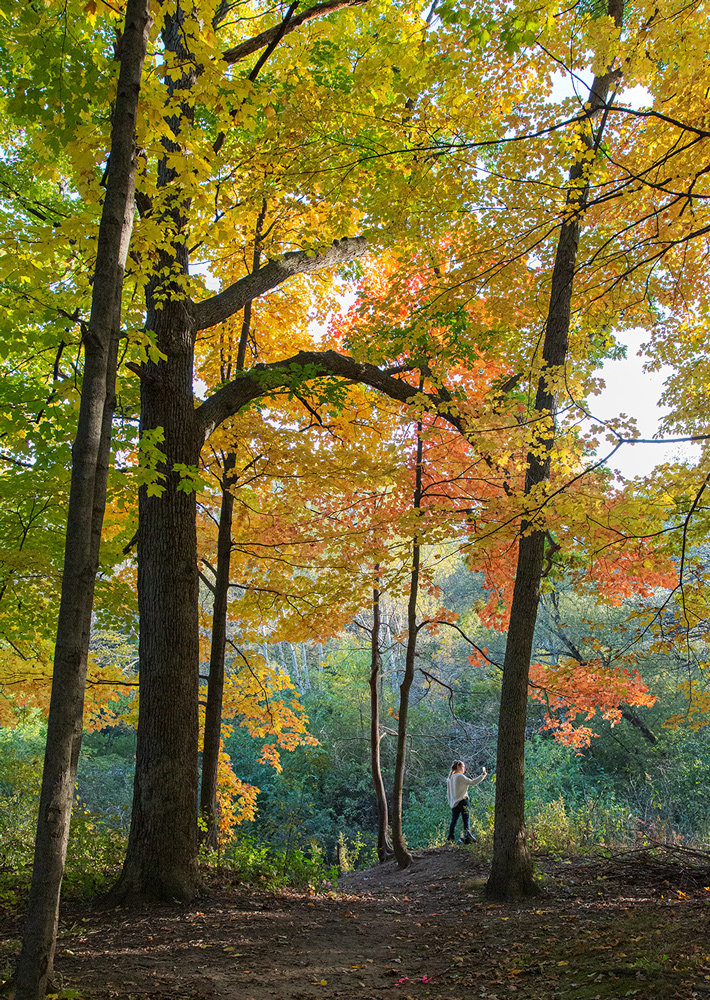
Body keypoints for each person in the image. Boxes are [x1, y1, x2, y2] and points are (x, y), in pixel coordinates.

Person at [446, 760, 487, 844]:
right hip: (463, 801)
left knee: (453, 821)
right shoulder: (460, 776)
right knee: (466, 820)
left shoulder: (450, 778)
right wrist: (483, 775)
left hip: (454, 803)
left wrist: (451, 802)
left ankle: (450, 838)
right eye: (463, 766)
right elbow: (472, 782)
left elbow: (448, 792)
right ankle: (468, 837)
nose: (464, 768)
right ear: (458, 767)